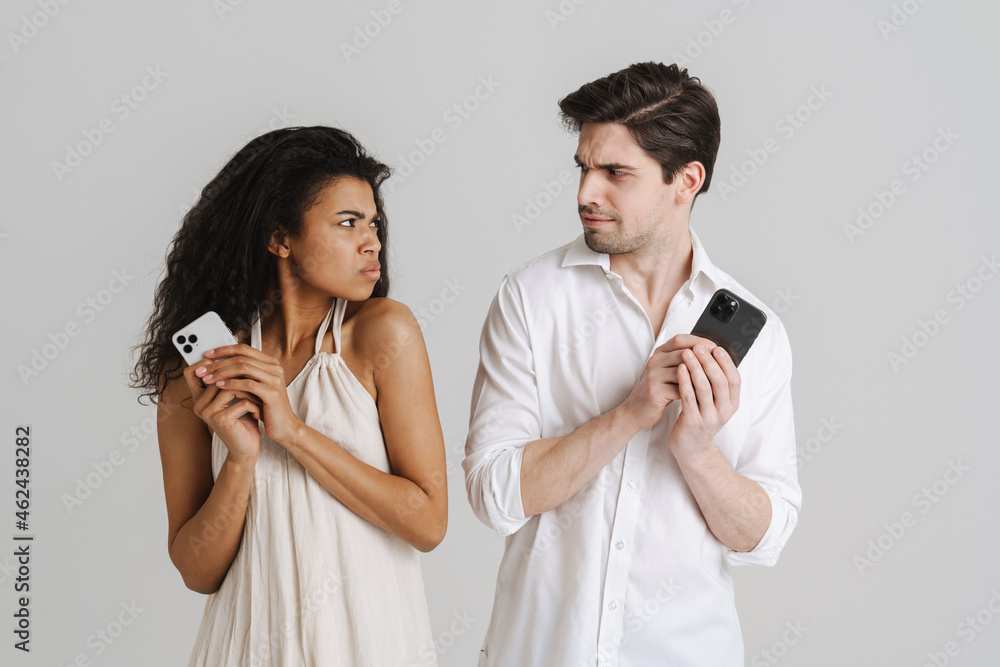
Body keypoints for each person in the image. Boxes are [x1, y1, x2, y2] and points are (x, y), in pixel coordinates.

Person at [463, 62, 802, 666]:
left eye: (615, 173)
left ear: (686, 180)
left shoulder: (762, 335)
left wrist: (696, 450)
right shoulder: (530, 299)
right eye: (583, 168)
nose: (585, 194)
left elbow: (762, 537)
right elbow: (493, 494)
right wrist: (629, 414)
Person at [130, 126, 447, 666]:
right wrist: (240, 458)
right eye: (348, 222)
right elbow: (197, 571)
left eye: (373, 222)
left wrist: (292, 432)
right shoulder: (201, 371)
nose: (371, 241)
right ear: (279, 238)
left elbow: (428, 522)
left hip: (368, 647)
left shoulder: (383, 333)